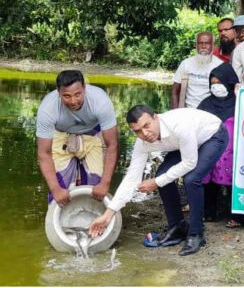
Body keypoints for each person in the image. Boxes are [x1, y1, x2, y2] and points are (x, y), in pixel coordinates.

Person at [89, 105, 228, 256]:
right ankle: (178, 227)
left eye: (146, 126)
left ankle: (196, 234)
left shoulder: (178, 125)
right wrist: (109, 214)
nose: (145, 133)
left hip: (213, 136)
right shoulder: (142, 142)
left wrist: (156, 182)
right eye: (138, 131)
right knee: (162, 174)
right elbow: (132, 177)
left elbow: (190, 163)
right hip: (184, 144)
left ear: (156, 117)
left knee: (191, 179)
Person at [36, 70, 119, 207]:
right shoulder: (47, 109)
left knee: (96, 188)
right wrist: (56, 189)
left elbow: (112, 145)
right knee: (58, 192)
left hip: (94, 135)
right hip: (61, 136)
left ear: (84, 88)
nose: (73, 101)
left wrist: (105, 183)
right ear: (58, 92)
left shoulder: (100, 101)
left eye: (77, 94)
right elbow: (44, 153)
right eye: (67, 96)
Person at [197, 63, 239, 223]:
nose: (216, 87)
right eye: (212, 84)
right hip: (210, 152)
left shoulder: (240, 103)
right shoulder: (206, 104)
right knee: (208, 183)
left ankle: (236, 216)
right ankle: (209, 213)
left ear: (228, 82)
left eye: (219, 83)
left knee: (233, 185)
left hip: (232, 155)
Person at [171, 31, 223, 109]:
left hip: (211, 112)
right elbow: (175, 91)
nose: (203, 46)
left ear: (213, 46)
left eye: (207, 43)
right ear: (196, 45)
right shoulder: (186, 64)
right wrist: (175, 114)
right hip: (189, 111)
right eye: (200, 43)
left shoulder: (220, 66)